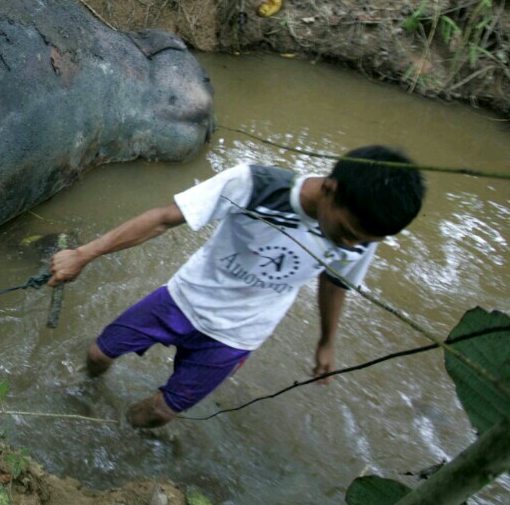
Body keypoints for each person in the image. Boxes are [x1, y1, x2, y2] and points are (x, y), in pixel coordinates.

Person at [47, 145, 425, 429]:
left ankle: (110, 438)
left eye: (359, 242)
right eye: (344, 233)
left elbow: (334, 281)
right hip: (183, 299)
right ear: (330, 188)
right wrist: (83, 254)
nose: (348, 245)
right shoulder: (253, 186)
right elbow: (164, 219)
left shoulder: (361, 238)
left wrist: (326, 342)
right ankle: (86, 394)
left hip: (238, 336)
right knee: (98, 354)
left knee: (159, 413)